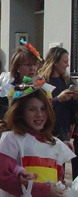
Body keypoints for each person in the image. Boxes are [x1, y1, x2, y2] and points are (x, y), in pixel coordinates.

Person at [38, 47, 78, 178]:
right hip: (45, 129)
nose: (67, 65)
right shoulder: (41, 82)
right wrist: (58, 99)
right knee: (46, 165)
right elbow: (39, 106)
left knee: (60, 168)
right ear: (55, 62)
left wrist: (75, 98)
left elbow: (73, 110)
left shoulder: (67, 81)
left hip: (63, 130)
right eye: (65, 61)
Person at [0, 44, 41, 119]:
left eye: (35, 64)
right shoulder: (7, 89)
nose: (32, 68)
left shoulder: (42, 87)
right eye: (27, 65)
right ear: (17, 67)